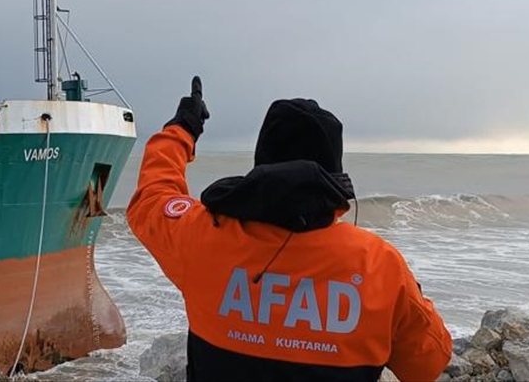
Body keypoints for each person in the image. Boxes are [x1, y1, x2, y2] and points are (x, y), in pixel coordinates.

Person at [127, 77, 452, 382]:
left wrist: (182, 129)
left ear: (261, 162)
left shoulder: (203, 237)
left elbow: (153, 197)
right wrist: (410, 296)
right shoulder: (380, 266)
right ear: (335, 173)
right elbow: (427, 364)